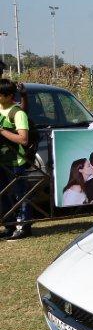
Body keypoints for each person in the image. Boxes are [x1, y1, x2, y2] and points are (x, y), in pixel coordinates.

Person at [0, 78, 31, 239]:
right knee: (4, 195)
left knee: (20, 195)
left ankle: (24, 226)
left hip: (15, 161)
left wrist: (2, 131)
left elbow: (23, 139)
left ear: (9, 95)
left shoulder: (17, 113)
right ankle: (9, 225)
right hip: (2, 161)